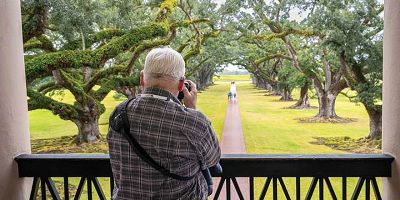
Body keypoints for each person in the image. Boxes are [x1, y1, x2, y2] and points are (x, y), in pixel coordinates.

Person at [107, 47, 221, 200]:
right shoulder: (194, 121)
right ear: (181, 84)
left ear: (142, 78)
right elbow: (212, 159)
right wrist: (192, 109)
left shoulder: (119, 112)